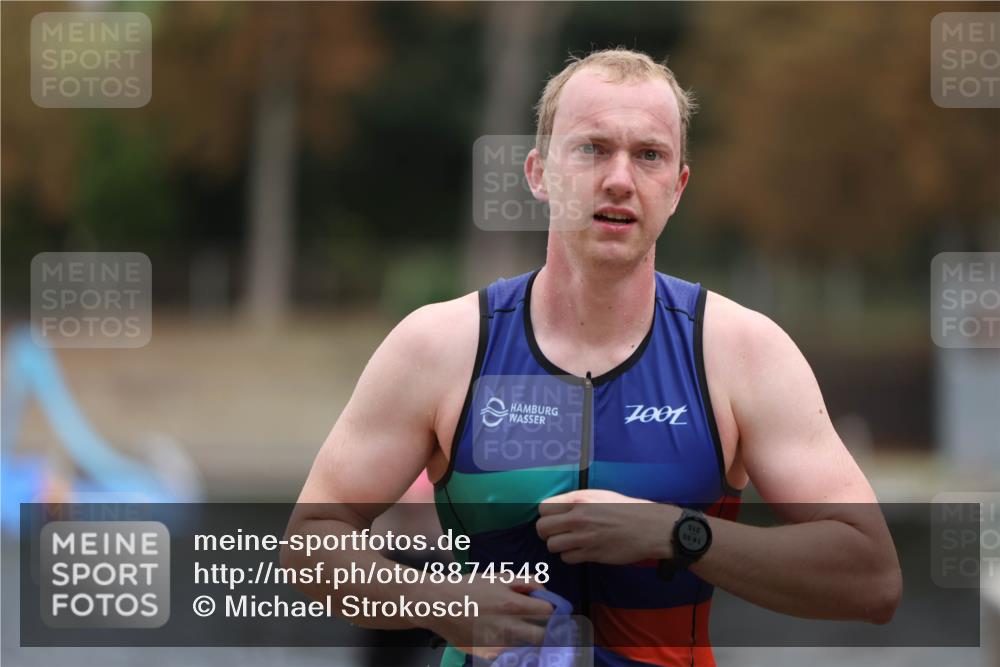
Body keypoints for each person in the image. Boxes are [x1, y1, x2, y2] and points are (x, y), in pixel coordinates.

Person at [284, 48, 902, 667]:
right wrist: (442, 601)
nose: (620, 179)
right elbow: (309, 542)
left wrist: (679, 534)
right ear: (538, 173)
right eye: (592, 148)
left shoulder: (741, 352)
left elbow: (872, 576)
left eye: (649, 155)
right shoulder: (442, 346)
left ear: (678, 186)